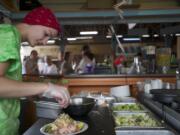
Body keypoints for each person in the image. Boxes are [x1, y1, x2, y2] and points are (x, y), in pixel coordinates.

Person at [0, 7, 70, 135]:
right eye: (46, 34)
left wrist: (30, 92)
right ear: (34, 22)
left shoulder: (14, 40)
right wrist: (46, 87)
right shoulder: (8, 35)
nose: (45, 42)